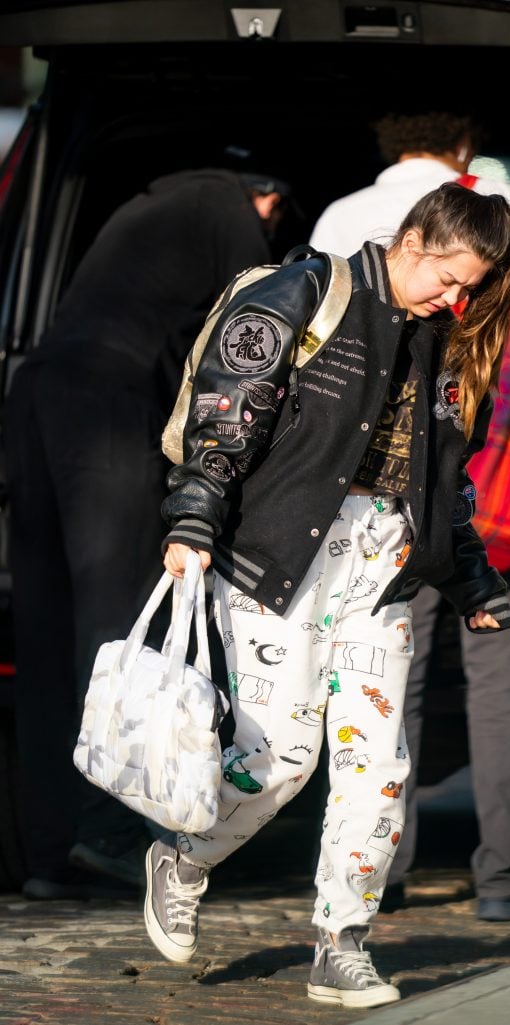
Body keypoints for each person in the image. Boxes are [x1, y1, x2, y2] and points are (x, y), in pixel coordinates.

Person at [143, 182, 510, 1010]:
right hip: (280, 554)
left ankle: (341, 942)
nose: (457, 298)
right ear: (414, 239)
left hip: (381, 569)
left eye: (472, 287)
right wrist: (194, 520)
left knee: (376, 765)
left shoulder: (451, 345)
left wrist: (471, 580)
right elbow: (226, 410)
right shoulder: (304, 292)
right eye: (451, 277)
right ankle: (184, 855)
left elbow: (442, 483)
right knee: (279, 757)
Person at [5, 166, 289, 900]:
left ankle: (45, 851)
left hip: (36, 391)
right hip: (104, 400)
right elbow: (255, 327)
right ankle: (107, 833)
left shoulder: (156, 200)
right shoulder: (231, 206)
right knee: (114, 626)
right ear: (270, 200)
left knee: (45, 628)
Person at [310, 111, 510, 921]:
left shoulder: (339, 220)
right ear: (460, 145)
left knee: (386, 686)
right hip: (488, 490)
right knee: (499, 680)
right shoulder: (495, 206)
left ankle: (378, 876)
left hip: (382, 496)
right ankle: (507, 882)